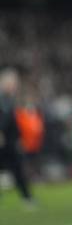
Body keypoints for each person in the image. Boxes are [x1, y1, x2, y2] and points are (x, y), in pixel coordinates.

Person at [0, 67, 35, 206]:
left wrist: (19, 137)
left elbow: (13, 121)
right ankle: (27, 198)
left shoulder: (9, 99)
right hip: (4, 140)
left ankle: (27, 197)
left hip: (9, 141)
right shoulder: (3, 99)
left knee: (17, 168)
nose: (15, 85)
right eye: (13, 82)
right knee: (17, 168)